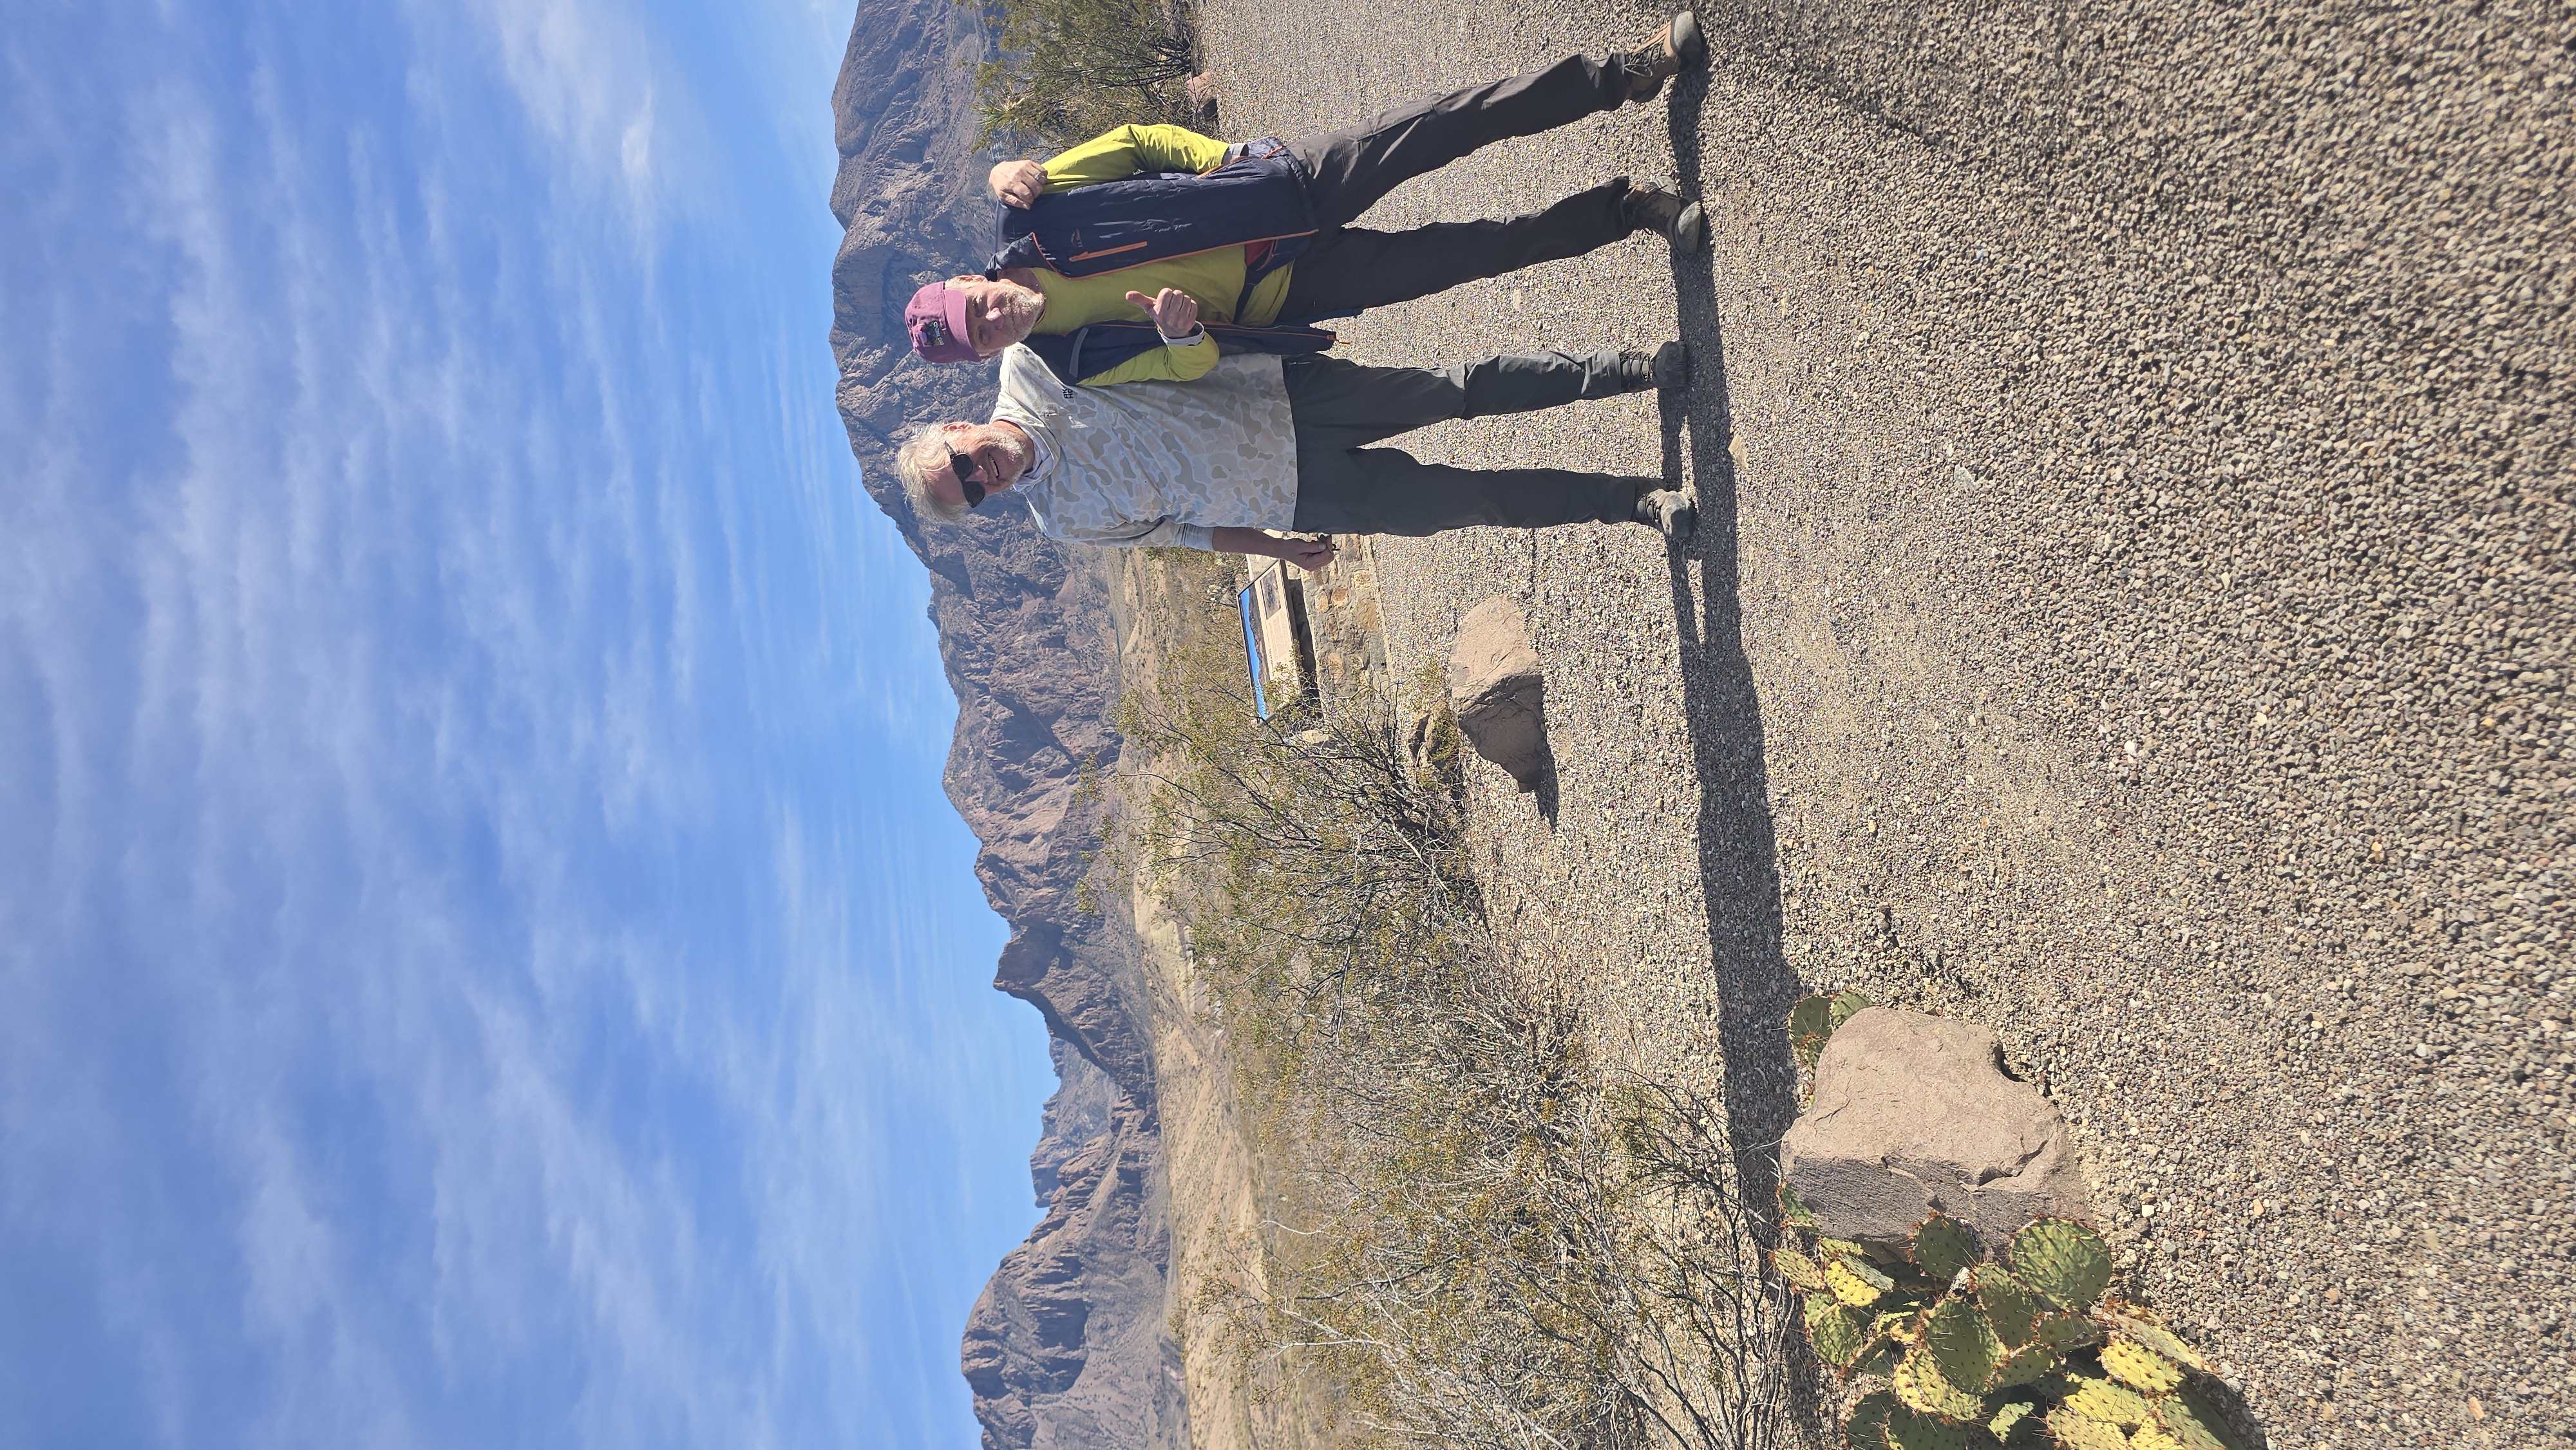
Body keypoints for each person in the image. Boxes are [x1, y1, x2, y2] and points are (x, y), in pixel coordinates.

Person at [903, 12, 1710, 388]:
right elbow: (1184, 369)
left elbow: (1137, 143)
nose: (993, 320)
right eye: (979, 337)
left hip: (1279, 189)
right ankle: (1627, 210)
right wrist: (1181, 338)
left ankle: (1623, 75)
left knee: (1449, 123)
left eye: (975, 307)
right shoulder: (1070, 361)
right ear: (983, 356)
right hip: (1290, 287)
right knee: (1478, 253)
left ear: (969, 281)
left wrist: (1218, 160)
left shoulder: (1030, 209)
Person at [890, 340, 1701, 569]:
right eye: (974, 493)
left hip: (1286, 396)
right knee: (1472, 501)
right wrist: (1277, 548)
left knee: (1455, 387)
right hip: (1296, 494)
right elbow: (1183, 535)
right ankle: (1633, 500)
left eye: (961, 464)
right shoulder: (1062, 519)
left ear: (957, 428)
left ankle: (1622, 373)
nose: (979, 476)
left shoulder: (1029, 363)